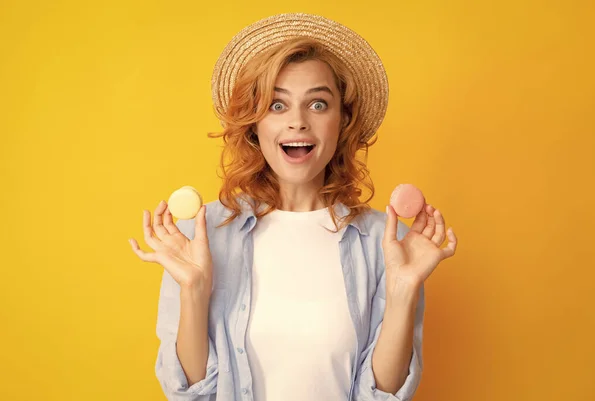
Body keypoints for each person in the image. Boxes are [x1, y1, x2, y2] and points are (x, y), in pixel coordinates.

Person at [128, 12, 458, 401]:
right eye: (277, 105)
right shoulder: (200, 236)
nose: (298, 122)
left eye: (318, 104)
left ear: (343, 121)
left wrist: (403, 290)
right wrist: (194, 290)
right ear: (254, 124)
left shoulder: (386, 244)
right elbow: (192, 395)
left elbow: (381, 396)